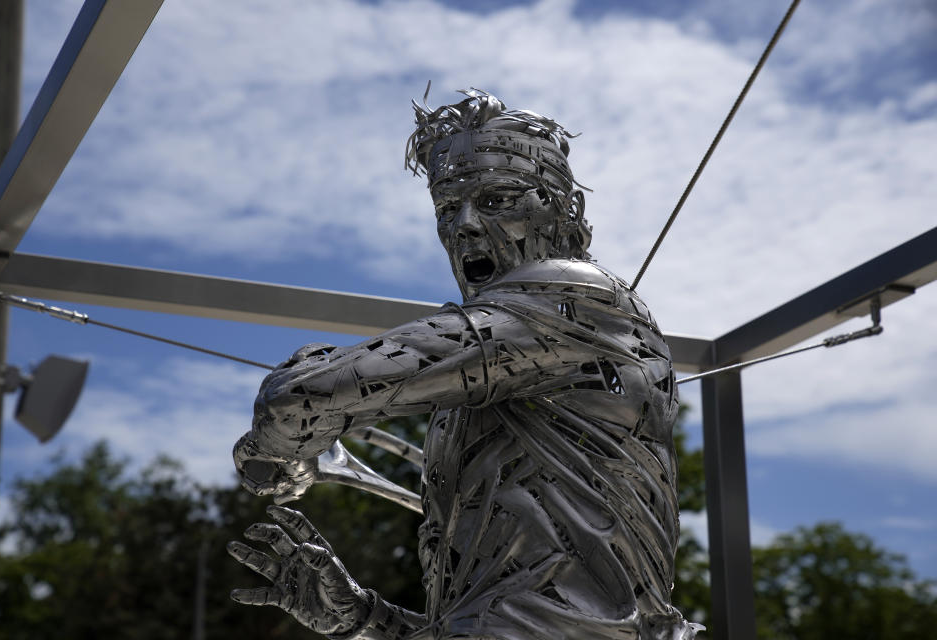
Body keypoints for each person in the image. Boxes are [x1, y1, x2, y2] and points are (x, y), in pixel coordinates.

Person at [228, 89, 699, 640]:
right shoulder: (500, 378)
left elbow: (301, 397)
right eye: (449, 209)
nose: (465, 226)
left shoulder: (579, 299)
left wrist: (279, 442)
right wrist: (361, 618)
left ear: (563, 211)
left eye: (497, 200)